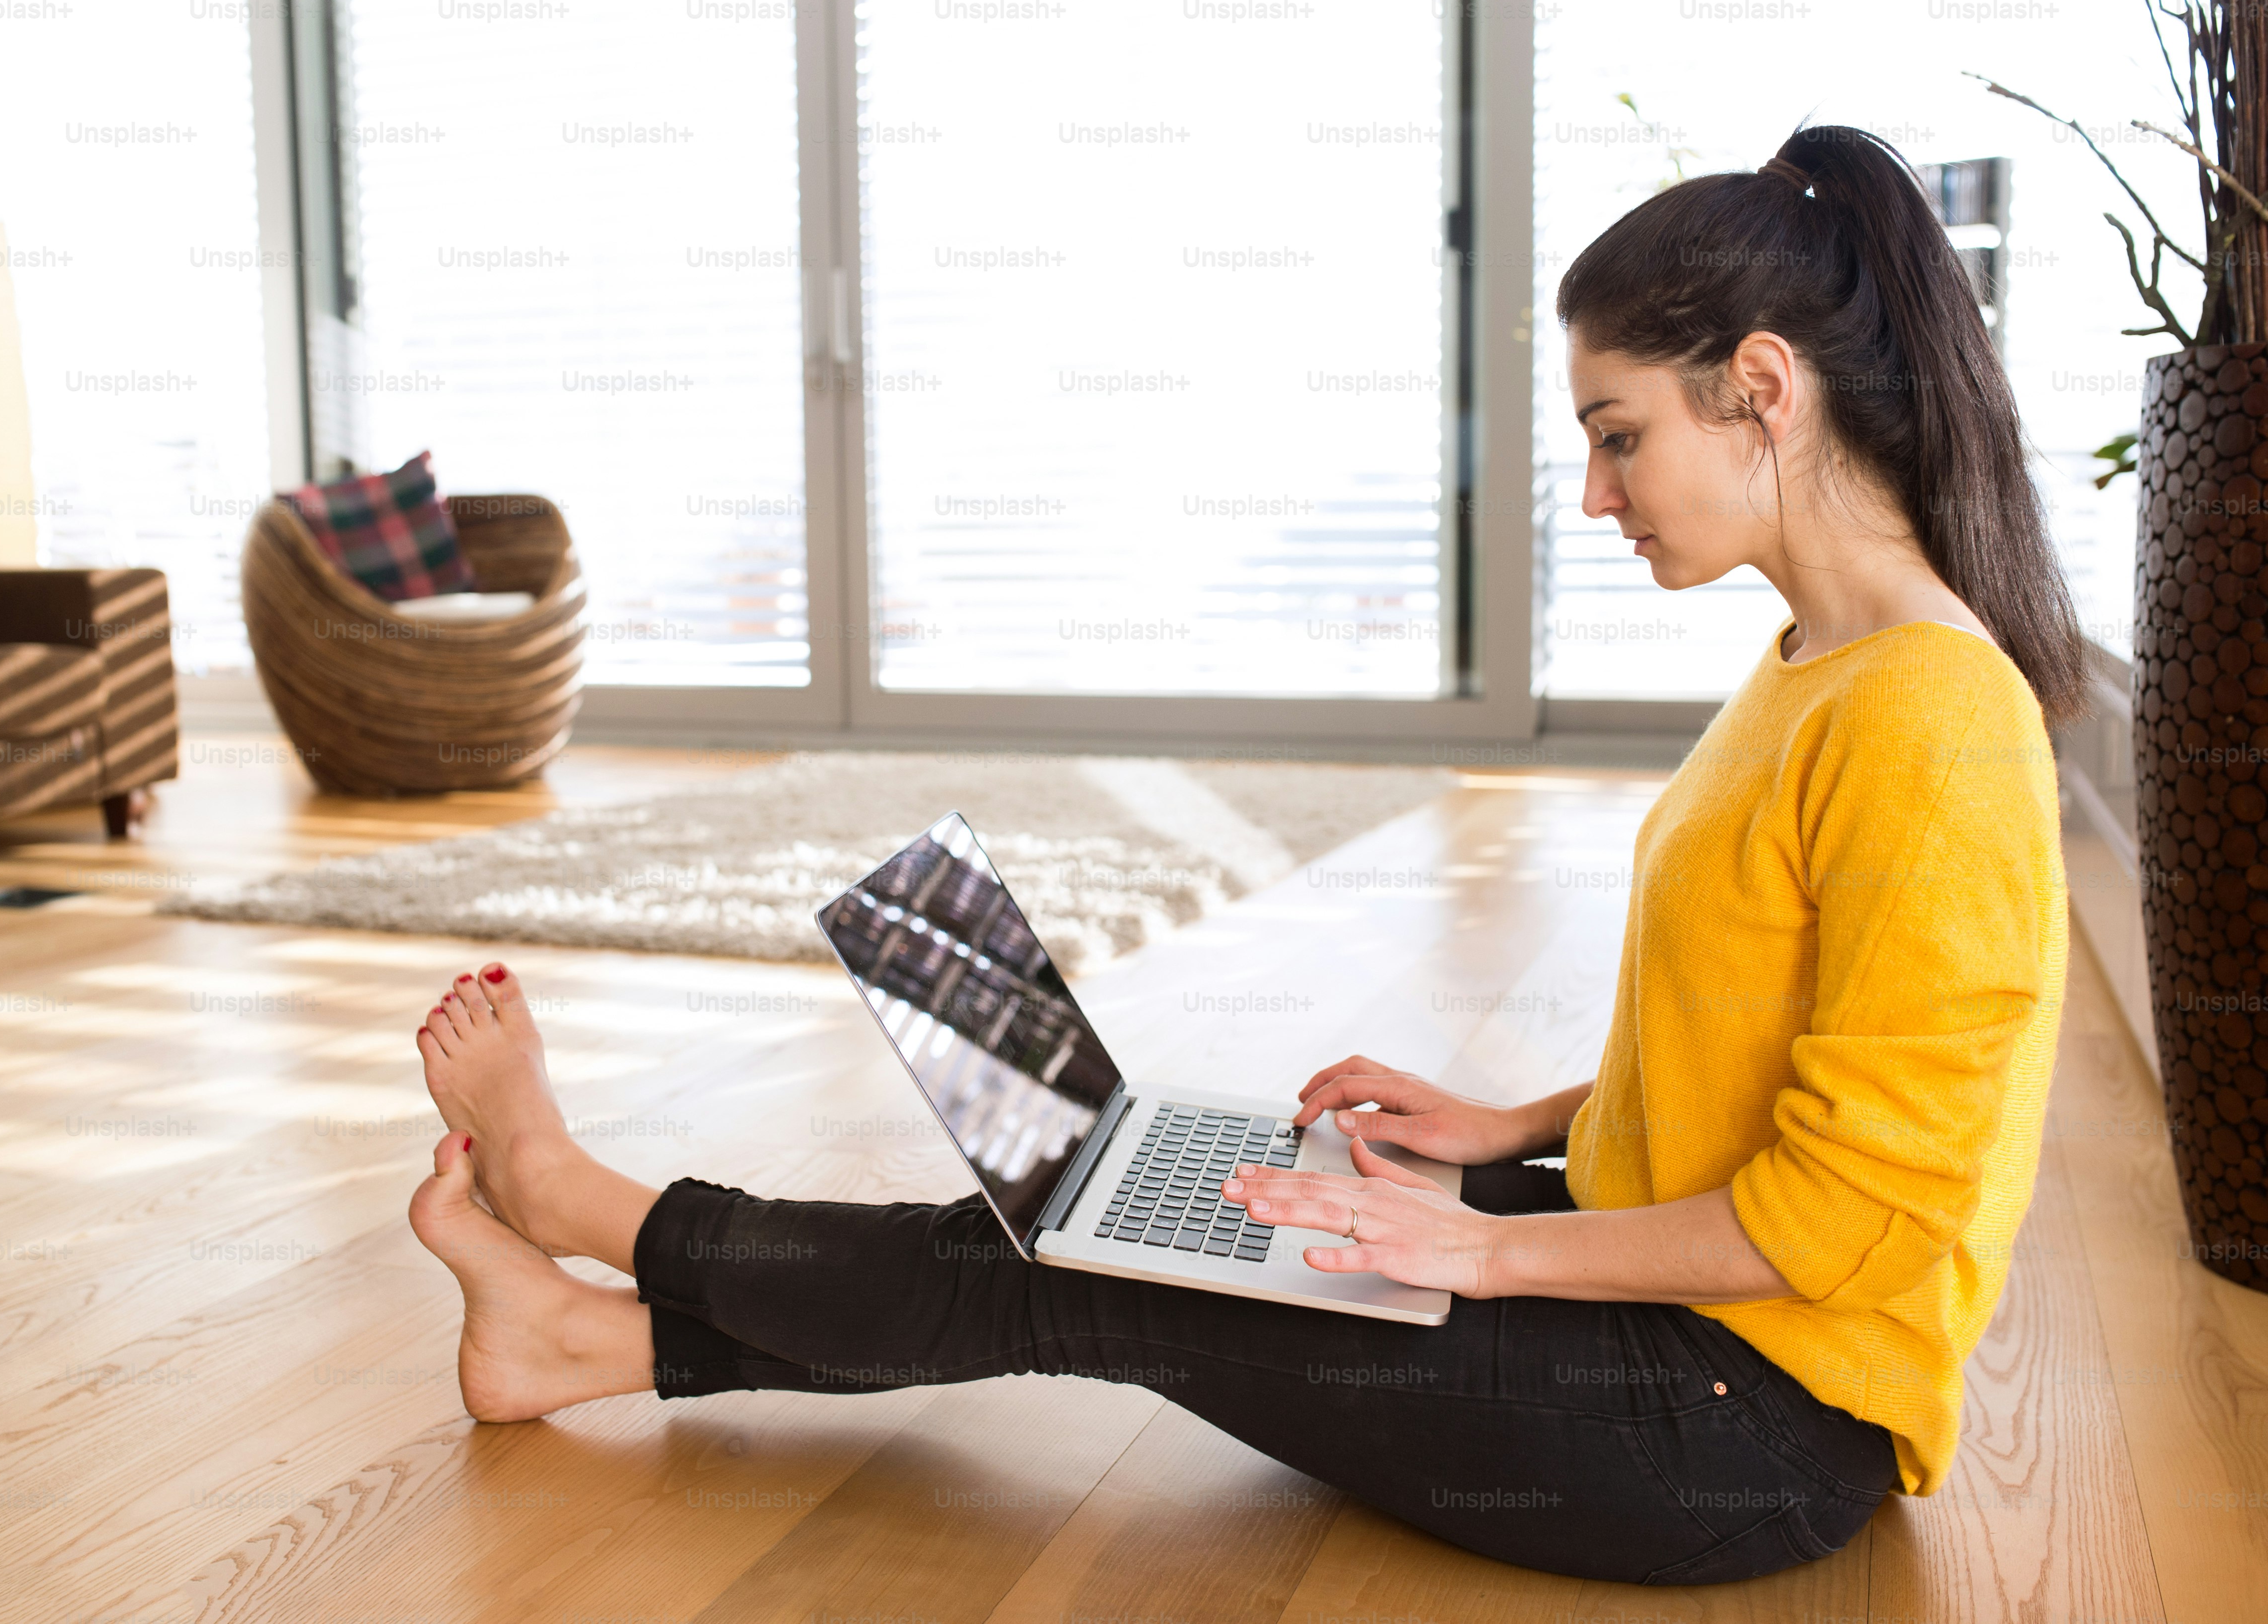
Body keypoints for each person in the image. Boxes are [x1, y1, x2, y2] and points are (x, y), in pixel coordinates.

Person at [405, 123, 2079, 1587]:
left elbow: (1852, 1214)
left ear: (1763, 390)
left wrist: (1487, 1242)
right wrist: (1512, 1133)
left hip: (1743, 1428)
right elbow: (1779, 1037)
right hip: (1674, 1299)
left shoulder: (1938, 725)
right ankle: (581, 1337)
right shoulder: (1815, 668)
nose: (1592, 493)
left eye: (1618, 432)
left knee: (1102, 1270)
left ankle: (585, 1217)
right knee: (1125, 1186)